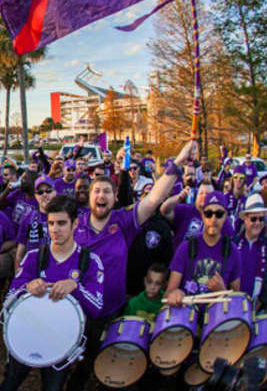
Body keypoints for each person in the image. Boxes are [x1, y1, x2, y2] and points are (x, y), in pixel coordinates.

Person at [66, 140, 197, 391]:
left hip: (111, 310)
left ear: (115, 197)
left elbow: (155, 198)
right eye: (97, 191)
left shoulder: (123, 222)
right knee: (73, 367)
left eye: (107, 191)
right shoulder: (75, 224)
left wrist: (178, 162)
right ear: (89, 197)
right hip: (78, 309)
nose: (101, 195)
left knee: (109, 364)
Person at [0, 195, 104, 391]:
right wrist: (27, 289)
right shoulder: (34, 257)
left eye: (62, 223)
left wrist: (76, 287)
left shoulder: (90, 261)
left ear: (75, 224)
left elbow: (97, 308)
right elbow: (10, 295)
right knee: (10, 383)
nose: (55, 229)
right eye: (51, 223)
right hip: (29, 333)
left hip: (62, 341)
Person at [165, 191, 242, 305]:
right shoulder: (185, 247)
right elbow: (168, 294)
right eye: (208, 214)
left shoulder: (232, 250)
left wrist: (223, 292)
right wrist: (175, 294)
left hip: (217, 318)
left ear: (226, 215)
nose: (213, 219)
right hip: (187, 316)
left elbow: (237, 303)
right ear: (202, 215)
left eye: (219, 214)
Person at [234, 193, 267, 305]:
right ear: (246, 219)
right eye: (253, 219)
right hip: (233, 305)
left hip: (256, 309)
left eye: (261, 219)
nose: (258, 223)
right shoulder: (233, 243)